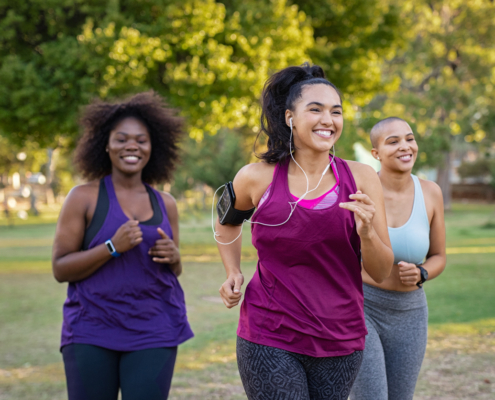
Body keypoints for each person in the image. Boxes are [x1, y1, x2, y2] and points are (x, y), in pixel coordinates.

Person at [214, 63, 394, 400]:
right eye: (316, 109)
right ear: (289, 118)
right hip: (269, 333)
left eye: (336, 111)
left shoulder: (363, 179)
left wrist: (367, 233)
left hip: (340, 336)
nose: (328, 119)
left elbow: (381, 272)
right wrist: (232, 271)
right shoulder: (256, 177)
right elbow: (227, 222)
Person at [52, 91, 193, 400]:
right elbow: (60, 269)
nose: (132, 146)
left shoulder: (165, 203)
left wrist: (175, 257)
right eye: (122, 139)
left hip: (154, 328)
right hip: (92, 328)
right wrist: (112, 247)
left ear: (152, 147)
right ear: (105, 144)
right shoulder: (83, 197)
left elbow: (174, 270)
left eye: (141, 140)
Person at [350, 117, 447, 400]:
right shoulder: (359, 194)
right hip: (363, 308)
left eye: (409, 138)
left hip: (411, 313)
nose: (405, 147)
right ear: (376, 154)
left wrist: (422, 274)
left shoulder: (431, 193)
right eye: (393, 141)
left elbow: (439, 256)